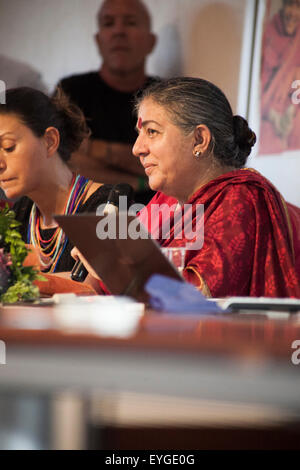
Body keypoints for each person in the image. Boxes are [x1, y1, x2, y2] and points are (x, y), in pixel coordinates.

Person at [73, 77, 300, 298]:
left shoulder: (239, 198)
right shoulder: (165, 201)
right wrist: (43, 279)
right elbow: (98, 287)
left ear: (199, 139)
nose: (137, 148)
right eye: (139, 134)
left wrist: (112, 264)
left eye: (152, 132)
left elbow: (194, 296)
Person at [0, 87, 113, 275]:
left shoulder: (111, 205)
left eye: (8, 147)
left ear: (50, 141)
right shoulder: (19, 215)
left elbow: (94, 289)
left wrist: (19, 274)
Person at [58, 0, 157, 204]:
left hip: (151, 219)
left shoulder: (166, 96)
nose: (119, 31)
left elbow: (172, 165)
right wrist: (141, 180)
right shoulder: (71, 91)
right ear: (98, 40)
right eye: (108, 23)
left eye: (130, 23)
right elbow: (64, 163)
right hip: (82, 213)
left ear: (151, 42)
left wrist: (94, 150)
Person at [260, 0, 300, 154]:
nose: (293, 13)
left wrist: (292, 108)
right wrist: (272, 114)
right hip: (268, 113)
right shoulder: (268, 32)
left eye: (298, 7)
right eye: (290, 5)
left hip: (292, 108)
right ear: (283, 7)